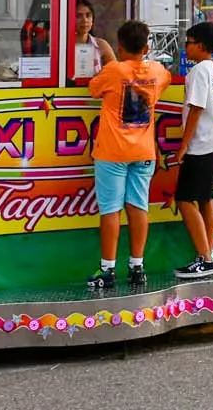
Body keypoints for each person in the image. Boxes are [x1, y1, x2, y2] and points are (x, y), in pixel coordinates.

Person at [86, 20, 169, 290]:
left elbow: (93, 88)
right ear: (146, 47)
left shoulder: (113, 70)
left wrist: (111, 58)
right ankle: (137, 266)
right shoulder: (157, 71)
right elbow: (165, 79)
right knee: (138, 206)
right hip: (144, 151)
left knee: (111, 209)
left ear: (119, 46)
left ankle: (107, 270)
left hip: (112, 152)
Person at [171, 21, 213, 279]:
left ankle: (204, 257)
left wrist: (183, 145)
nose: (186, 47)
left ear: (202, 46)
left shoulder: (198, 71)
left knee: (184, 199)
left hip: (202, 143)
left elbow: (196, 108)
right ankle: (208, 254)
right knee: (206, 199)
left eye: (189, 42)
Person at [73, 0, 116, 80]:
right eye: (78, 16)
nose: (84, 20)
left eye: (88, 15)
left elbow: (115, 73)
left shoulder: (101, 45)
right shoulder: (62, 46)